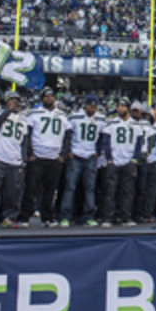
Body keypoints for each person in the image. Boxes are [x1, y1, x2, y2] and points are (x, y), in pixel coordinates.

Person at [20, 89, 71, 227]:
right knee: (30, 189)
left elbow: (68, 136)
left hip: (54, 158)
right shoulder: (34, 114)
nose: (49, 98)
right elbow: (27, 134)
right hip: (38, 156)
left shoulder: (62, 115)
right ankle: (25, 216)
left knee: (50, 190)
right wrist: (30, 153)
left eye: (51, 96)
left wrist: (63, 155)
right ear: (41, 99)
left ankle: (47, 217)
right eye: (46, 96)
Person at [0, 93, 28, 229]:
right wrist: (8, 111)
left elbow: (24, 141)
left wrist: (23, 158)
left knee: (12, 192)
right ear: (7, 102)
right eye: (13, 101)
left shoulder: (23, 119)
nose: (16, 104)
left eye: (18, 101)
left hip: (14, 159)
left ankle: (8, 217)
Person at [61, 94, 103, 227]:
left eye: (95, 106)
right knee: (70, 187)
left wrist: (97, 150)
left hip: (90, 156)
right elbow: (67, 135)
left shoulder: (101, 119)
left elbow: (103, 137)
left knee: (90, 188)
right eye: (90, 106)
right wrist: (69, 152)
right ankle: (65, 216)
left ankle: (89, 215)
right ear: (85, 105)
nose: (93, 109)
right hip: (76, 155)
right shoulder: (74, 117)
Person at [99, 97, 140, 227]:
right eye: (118, 106)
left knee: (127, 191)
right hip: (115, 160)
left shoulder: (135, 124)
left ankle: (125, 217)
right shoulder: (111, 123)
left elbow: (139, 143)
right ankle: (109, 217)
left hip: (128, 160)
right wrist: (109, 158)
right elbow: (105, 142)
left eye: (123, 106)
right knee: (111, 191)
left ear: (128, 108)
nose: (120, 109)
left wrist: (134, 158)